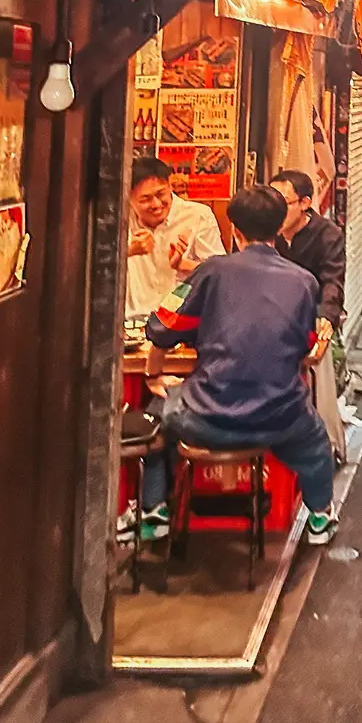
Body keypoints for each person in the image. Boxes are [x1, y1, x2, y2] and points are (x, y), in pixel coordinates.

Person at [137, 184, 337, 546]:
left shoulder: (211, 272)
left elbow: (161, 326)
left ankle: (154, 511)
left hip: (204, 418)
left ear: (235, 230)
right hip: (279, 420)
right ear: (279, 229)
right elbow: (305, 345)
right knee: (315, 440)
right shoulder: (305, 282)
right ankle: (321, 516)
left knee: (157, 415)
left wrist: (154, 374)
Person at [271, 168, 347, 459]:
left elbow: (332, 280)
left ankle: (325, 446)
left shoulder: (327, 234)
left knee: (318, 378)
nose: (275, 210)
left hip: (308, 319)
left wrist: (326, 317)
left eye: (283, 202)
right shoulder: (266, 232)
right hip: (269, 322)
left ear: (304, 203)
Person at [125, 155, 223, 318]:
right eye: (145, 199)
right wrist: (128, 251)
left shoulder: (197, 216)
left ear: (169, 186)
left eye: (161, 194)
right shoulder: (121, 219)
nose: (156, 204)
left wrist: (182, 265)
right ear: (129, 199)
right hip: (132, 322)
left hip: (181, 322)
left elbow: (220, 274)